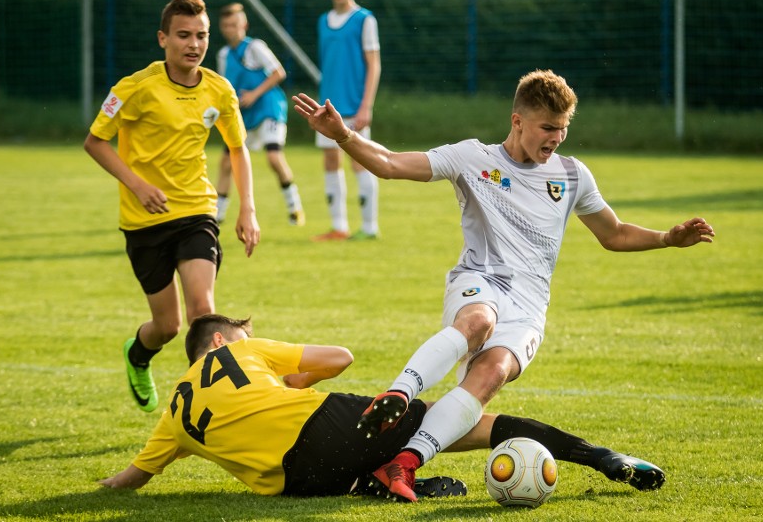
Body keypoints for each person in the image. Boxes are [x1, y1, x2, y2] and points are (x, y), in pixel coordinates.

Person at [291, 68, 714, 501]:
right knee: (479, 320)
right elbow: (390, 163)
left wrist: (666, 238)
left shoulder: (571, 175)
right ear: (518, 121)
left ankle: (406, 463)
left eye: (563, 129)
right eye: (548, 128)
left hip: (530, 309)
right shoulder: (473, 158)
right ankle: (398, 393)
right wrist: (343, 134)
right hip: (480, 278)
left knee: (490, 373)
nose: (556, 138)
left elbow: (614, 233)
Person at [98, 313, 666, 501]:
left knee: (410, 439)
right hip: (326, 427)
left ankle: (378, 479)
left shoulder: (174, 412)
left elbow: (130, 478)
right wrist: (287, 380)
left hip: (302, 484)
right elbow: (339, 357)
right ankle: (605, 458)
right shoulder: (240, 352)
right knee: (474, 420)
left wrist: (93, 491)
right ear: (222, 342)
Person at [84, 0, 261, 414]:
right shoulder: (135, 88)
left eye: (201, 36)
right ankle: (138, 355)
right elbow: (95, 142)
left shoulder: (220, 89)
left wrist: (247, 207)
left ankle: (207, 408)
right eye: (183, 35)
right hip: (143, 221)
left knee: (203, 312)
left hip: (196, 212)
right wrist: (137, 184)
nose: (193, 44)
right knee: (167, 326)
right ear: (163, 38)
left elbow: (238, 149)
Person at [214, 3, 305, 227]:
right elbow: (224, 87)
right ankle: (217, 216)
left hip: (268, 107)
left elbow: (278, 72)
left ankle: (295, 207)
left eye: (235, 24)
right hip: (244, 114)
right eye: (226, 25)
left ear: (244, 25)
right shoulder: (224, 55)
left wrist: (254, 94)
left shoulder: (255, 47)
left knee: (274, 157)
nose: (230, 29)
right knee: (226, 163)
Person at [312, 0, 382, 241]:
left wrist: (367, 105)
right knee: (330, 162)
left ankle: (369, 227)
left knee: (360, 162)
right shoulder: (323, 21)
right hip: (329, 106)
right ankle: (339, 226)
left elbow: (374, 64)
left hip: (355, 105)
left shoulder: (365, 19)